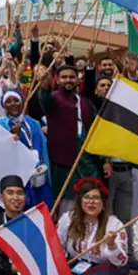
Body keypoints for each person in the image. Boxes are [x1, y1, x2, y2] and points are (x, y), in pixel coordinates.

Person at [39, 65, 103, 214]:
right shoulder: (53, 99)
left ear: (78, 80)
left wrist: (105, 161)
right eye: (64, 77)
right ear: (58, 80)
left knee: (91, 203)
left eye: (71, 77)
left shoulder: (86, 103)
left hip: (88, 162)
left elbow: (97, 130)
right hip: (64, 164)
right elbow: (44, 99)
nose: (68, 80)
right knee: (68, 209)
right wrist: (44, 85)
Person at [0, 90, 51, 209]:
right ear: (4, 106)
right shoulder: (0, 124)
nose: (13, 104)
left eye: (16, 100)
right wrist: (10, 136)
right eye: (9, 101)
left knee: (43, 207)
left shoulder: (33, 122)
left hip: (39, 171)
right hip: (19, 175)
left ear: (22, 103)